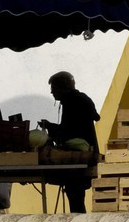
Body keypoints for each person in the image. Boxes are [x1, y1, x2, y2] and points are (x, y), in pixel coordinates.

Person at [38, 71, 99, 213]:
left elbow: (68, 132)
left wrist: (50, 128)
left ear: (62, 87)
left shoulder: (72, 102)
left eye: (53, 87)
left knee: (75, 197)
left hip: (77, 159)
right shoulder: (81, 99)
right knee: (77, 197)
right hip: (85, 155)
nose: (51, 91)